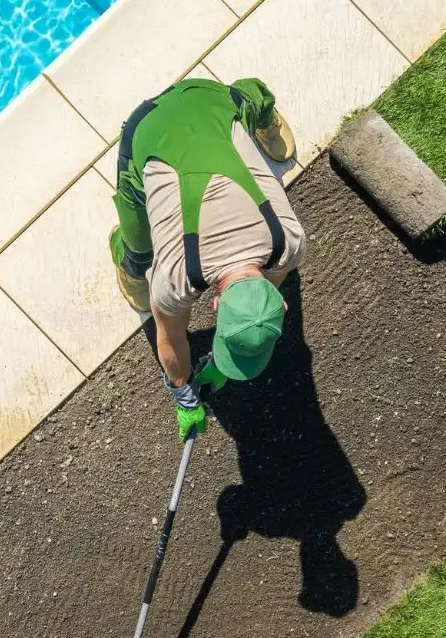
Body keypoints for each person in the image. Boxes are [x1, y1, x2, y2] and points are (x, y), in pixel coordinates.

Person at [108, 77, 305, 442]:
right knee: (139, 255)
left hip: (210, 104)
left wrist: (200, 377)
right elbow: (170, 339)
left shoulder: (289, 243)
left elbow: (268, 283)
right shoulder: (175, 277)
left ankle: (260, 117)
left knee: (242, 104)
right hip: (150, 128)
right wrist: (183, 394)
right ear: (214, 306)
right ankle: (265, 116)